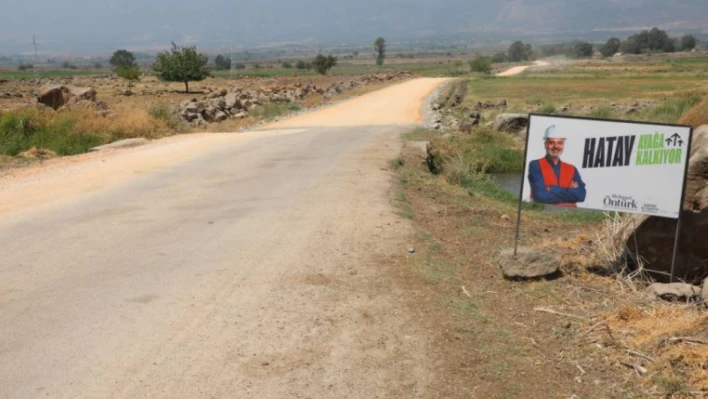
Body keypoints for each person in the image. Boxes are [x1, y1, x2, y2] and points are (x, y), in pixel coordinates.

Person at [528, 125, 586, 207]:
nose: (556, 146)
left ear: (563, 145)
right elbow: (540, 197)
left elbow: (581, 195)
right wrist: (569, 192)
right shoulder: (535, 165)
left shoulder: (572, 169)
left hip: (570, 215)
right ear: (545, 145)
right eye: (551, 143)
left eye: (559, 143)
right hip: (544, 214)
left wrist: (552, 189)